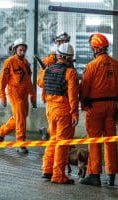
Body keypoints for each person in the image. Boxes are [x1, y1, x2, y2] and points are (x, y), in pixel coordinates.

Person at [79, 33, 118, 186]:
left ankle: (94, 175)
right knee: (110, 141)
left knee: (94, 141)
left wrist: (83, 104)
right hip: (112, 106)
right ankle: (111, 175)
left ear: (96, 48)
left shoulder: (92, 66)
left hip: (95, 107)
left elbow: (84, 89)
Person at [37, 43, 79, 184]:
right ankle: (59, 175)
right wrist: (75, 113)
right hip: (63, 111)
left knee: (53, 139)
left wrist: (45, 69)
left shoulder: (48, 69)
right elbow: (73, 95)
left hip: (50, 109)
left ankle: (47, 169)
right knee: (62, 143)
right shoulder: (70, 73)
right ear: (70, 58)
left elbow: (40, 83)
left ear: (57, 55)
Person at [0, 38, 36, 154]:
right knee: (21, 118)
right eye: (20, 48)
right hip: (14, 94)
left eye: (23, 48)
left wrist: (33, 95)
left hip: (24, 94)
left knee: (21, 116)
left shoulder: (26, 63)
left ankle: (1, 132)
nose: (22, 50)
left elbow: (28, 81)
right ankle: (20, 143)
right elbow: (2, 81)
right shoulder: (9, 62)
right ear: (15, 49)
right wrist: (2, 96)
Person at [38, 32, 71, 139]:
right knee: (56, 130)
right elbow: (40, 82)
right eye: (62, 41)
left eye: (66, 41)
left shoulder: (68, 58)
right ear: (57, 42)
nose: (64, 43)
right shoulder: (50, 59)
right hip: (52, 96)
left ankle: (47, 133)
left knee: (60, 129)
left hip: (64, 97)